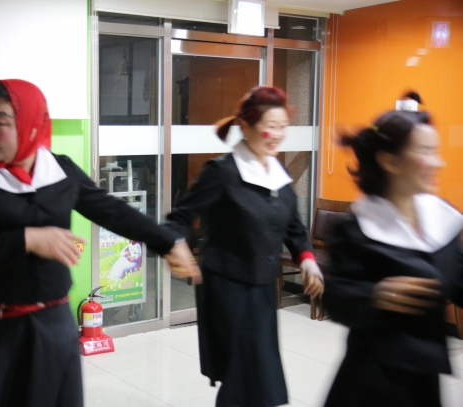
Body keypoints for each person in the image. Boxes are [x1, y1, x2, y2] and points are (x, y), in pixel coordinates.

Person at [0, 79, 198, 407]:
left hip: (52, 328)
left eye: (0, 122)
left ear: (31, 125)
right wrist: (28, 239)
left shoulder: (59, 171)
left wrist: (169, 241)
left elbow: (112, 211)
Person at [166, 86, 324, 407]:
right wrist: (177, 245)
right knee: (244, 373)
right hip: (227, 288)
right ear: (247, 127)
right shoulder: (222, 172)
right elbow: (179, 217)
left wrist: (307, 260)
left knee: (260, 374)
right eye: (271, 126)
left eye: (283, 126)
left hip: (262, 288)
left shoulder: (277, 172)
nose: (277, 134)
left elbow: (293, 226)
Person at [322, 110, 463, 407]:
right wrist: (375, 294)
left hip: (425, 379)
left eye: (436, 151)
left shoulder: (442, 220)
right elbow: (335, 300)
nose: (439, 163)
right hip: (373, 380)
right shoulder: (358, 229)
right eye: (426, 151)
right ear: (390, 161)